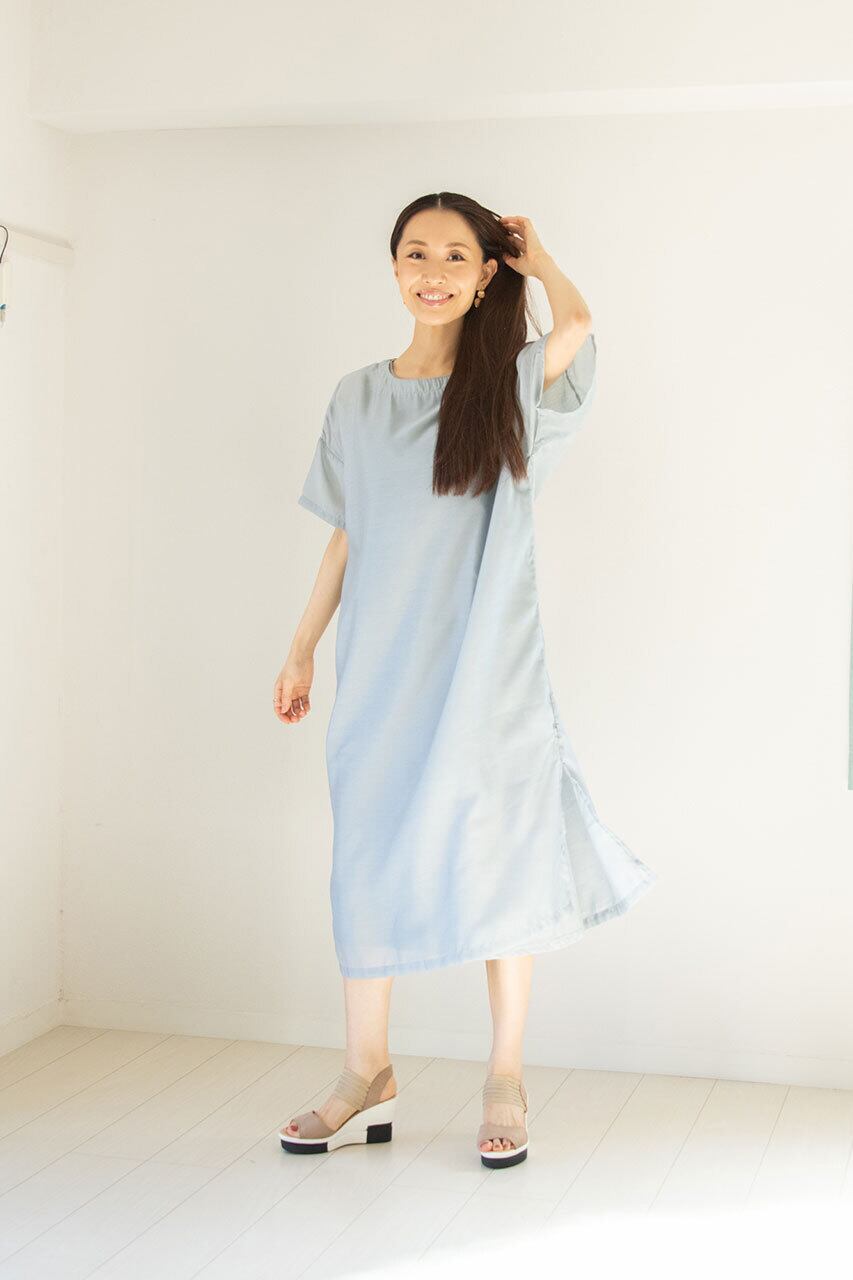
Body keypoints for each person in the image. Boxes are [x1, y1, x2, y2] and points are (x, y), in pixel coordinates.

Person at [274, 192, 658, 1167]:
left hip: (487, 677)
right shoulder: (356, 397)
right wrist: (302, 643)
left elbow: (577, 323)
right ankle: (366, 1072)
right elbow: (349, 532)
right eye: (416, 253)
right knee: (364, 862)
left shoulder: (507, 385)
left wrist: (540, 257)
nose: (432, 271)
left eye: (455, 256)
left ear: (486, 275)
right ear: (394, 267)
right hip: (380, 673)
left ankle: (504, 1077)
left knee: (499, 859)